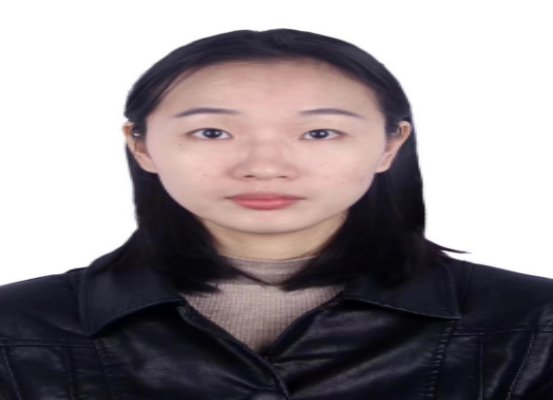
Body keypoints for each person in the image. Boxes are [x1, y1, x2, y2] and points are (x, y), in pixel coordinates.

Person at [0, 28, 552, 400]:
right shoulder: (17, 327)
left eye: (320, 132)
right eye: (212, 132)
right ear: (141, 145)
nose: (264, 166)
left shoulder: (533, 323)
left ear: (390, 144)